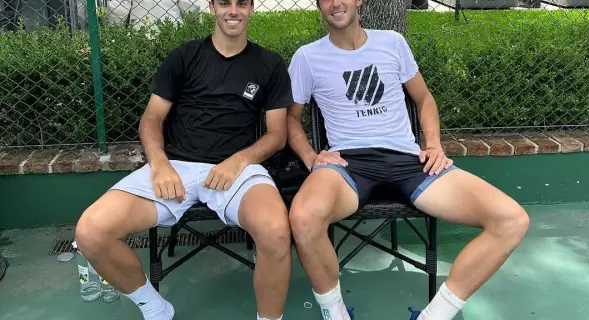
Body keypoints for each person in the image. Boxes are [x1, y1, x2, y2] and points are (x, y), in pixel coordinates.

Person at [285, 0, 530, 319]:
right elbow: (291, 119)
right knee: (303, 218)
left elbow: (424, 98)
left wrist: (433, 144)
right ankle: (337, 315)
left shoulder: (392, 42)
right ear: (319, 6)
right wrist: (311, 156)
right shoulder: (307, 57)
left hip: (409, 161)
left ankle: (434, 315)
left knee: (511, 220)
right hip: (348, 165)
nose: (336, 3)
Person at [75, 0, 294, 319]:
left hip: (236, 169)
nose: (233, 10)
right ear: (211, 8)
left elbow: (277, 134)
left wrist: (239, 161)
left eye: (241, 3)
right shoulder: (184, 56)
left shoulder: (269, 64)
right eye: (224, 3)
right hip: (175, 167)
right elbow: (151, 119)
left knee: (275, 231)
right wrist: (160, 163)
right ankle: (155, 308)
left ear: (251, 9)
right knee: (90, 231)